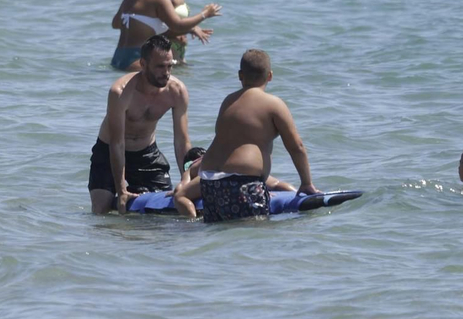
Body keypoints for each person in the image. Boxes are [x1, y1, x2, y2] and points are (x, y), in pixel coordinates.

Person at [196, 49, 318, 223]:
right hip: (242, 184)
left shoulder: (228, 101)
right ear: (270, 76)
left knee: (221, 235)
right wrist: (306, 183)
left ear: (240, 75)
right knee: (254, 236)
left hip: (208, 182)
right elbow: (296, 146)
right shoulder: (273, 104)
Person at [88, 35, 190, 214]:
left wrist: (186, 181)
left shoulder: (177, 91)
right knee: (101, 210)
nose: (166, 72)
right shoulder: (121, 92)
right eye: (160, 66)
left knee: (166, 208)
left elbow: (181, 141)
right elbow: (117, 142)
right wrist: (121, 191)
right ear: (143, 64)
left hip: (146, 154)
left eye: (169, 66)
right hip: (109, 151)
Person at [169, 145, 297, 219]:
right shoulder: (214, 155)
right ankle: (297, 194)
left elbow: (180, 189)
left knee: (181, 197)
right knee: (275, 183)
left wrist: (175, 192)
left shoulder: (193, 167)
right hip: (240, 164)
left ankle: (192, 220)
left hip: (214, 175)